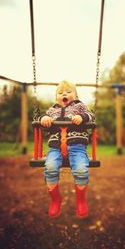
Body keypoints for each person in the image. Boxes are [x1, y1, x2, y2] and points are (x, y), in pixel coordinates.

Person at [39, 80, 95, 218]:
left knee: (81, 170)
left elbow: (91, 116)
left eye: (68, 92)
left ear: (75, 96)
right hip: (55, 148)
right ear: (56, 97)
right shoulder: (52, 110)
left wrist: (82, 117)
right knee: (50, 168)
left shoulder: (80, 107)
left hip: (77, 147)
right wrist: (44, 118)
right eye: (60, 92)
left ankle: (81, 200)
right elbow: (42, 118)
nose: (64, 94)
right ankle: (55, 199)